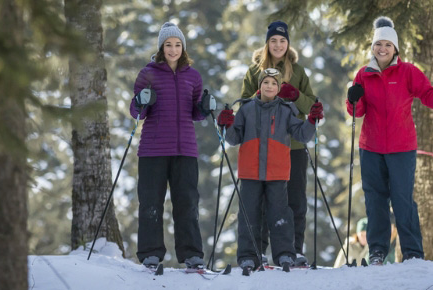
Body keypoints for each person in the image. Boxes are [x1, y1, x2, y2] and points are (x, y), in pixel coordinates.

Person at [346, 16, 433, 265]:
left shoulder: (408, 72)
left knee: (402, 200)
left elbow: (429, 96)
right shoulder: (363, 75)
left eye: (387, 45)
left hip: (401, 148)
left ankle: (412, 252)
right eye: (379, 44)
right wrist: (352, 99)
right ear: (373, 47)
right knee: (375, 200)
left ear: (395, 48)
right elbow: (357, 112)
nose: (382, 49)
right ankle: (377, 251)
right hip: (371, 147)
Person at [218, 68, 324, 272]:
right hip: (250, 171)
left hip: (277, 172)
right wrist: (226, 124)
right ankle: (249, 255)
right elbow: (233, 138)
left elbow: (302, 135)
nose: (269, 86)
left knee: (279, 213)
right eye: (265, 82)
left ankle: (285, 253)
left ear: (278, 88)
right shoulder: (246, 109)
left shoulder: (286, 110)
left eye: (274, 83)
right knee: (249, 214)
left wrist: (311, 120)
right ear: (259, 86)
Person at [130, 22, 209, 269]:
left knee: (187, 202)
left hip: (185, 149)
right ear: (161, 47)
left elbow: (196, 112)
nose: (173, 49)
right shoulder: (148, 73)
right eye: (168, 45)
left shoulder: (193, 76)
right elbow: (136, 112)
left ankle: (191, 254)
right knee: (151, 202)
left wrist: (205, 108)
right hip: (153, 150)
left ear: (183, 47)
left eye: (177, 45)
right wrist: (142, 100)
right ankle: (150, 253)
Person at [239, 20, 317, 266]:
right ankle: (258, 250)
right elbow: (244, 106)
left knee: (294, 199)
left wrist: (296, 96)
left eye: (282, 40)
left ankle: (292, 249)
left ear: (288, 44)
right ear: (267, 43)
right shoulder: (253, 72)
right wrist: (267, 92)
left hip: (293, 144)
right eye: (273, 40)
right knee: (259, 200)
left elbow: (313, 107)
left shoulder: (298, 72)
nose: (278, 45)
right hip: (260, 146)